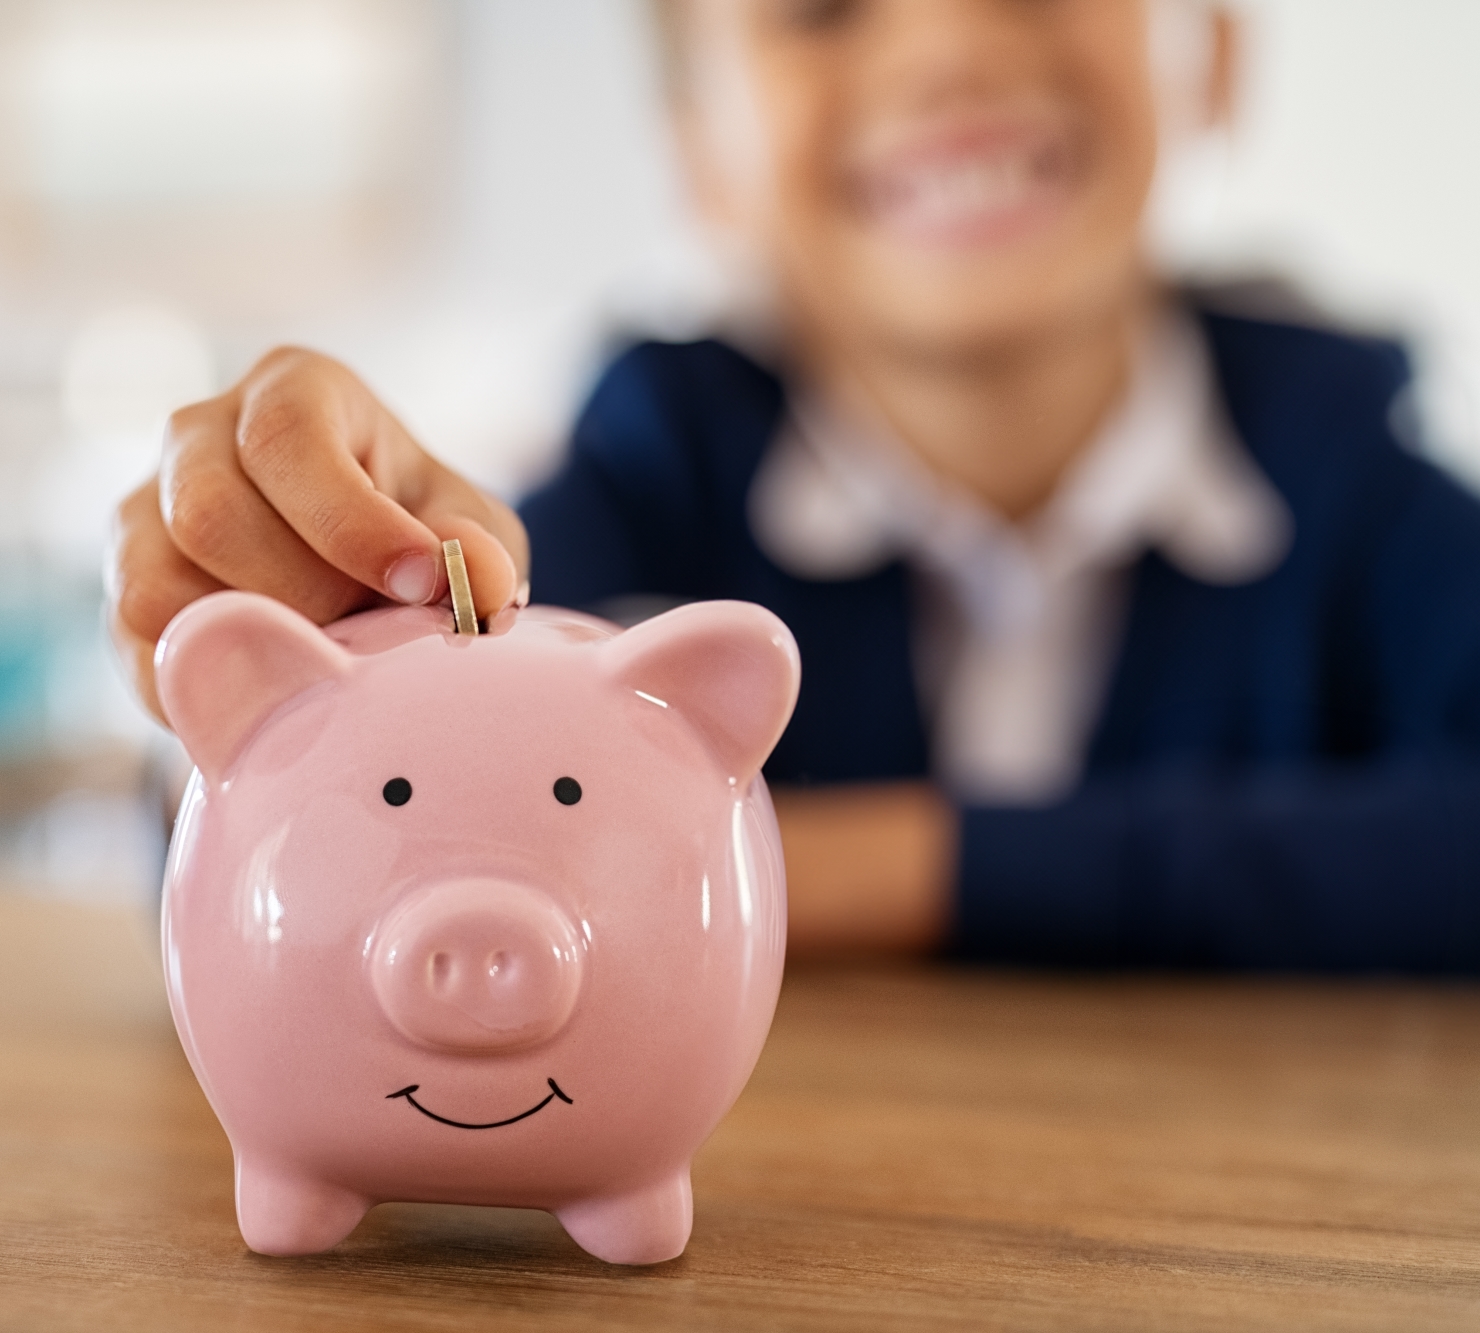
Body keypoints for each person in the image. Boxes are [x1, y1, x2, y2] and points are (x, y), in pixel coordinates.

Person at [110, 0, 1480, 971]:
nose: (948, 42)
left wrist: (881, 862)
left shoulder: (1368, 496)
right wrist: (332, 648)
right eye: (821, 9)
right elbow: (311, 902)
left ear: (1215, 60)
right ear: (700, 155)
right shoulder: (646, 473)